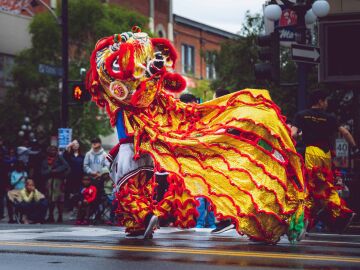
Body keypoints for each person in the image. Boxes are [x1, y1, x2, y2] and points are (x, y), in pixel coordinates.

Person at [291, 90, 358, 233]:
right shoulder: (330, 118)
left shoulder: (301, 115)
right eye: (325, 101)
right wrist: (355, 148)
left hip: (311, 152)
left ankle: (303, 221)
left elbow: (293, 134)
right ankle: (335, 214)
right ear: (320, 101)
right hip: (326, 155)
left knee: (312, 186)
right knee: (325, 185)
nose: (326, 104)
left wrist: (298, 138)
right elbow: (345, 132)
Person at [41, 146, 70, 223]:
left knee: (60, 200)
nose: (52, 151)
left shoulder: (60, 158)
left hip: (58, 182)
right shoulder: (45, 160)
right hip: (49, 182)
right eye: (51, 150)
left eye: (54, 150)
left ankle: (60, 216)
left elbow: (66, 166)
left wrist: (56, 171)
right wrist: (50, 171)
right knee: (50, 200)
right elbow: (42, 172)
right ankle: (51, 216)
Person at [63, 140, 84, 210]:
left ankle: (77, 208)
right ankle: (69, 208)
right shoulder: (68, 155)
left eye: (77, 143)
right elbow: (64, 156)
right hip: (70, 177)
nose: (75, 145)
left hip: (80, 177)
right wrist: (69, 145)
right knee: (69, 193)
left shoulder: (82, 156)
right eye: (73, 144)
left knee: (78, 193)